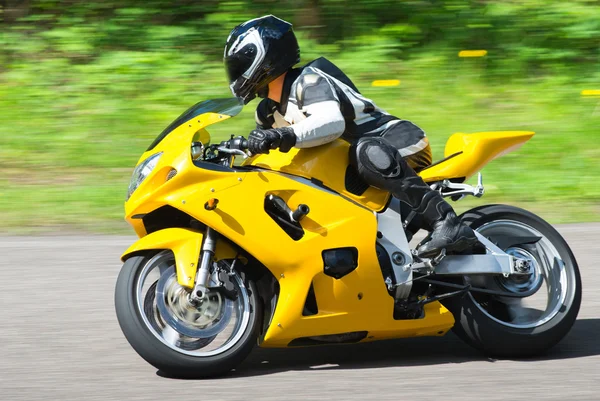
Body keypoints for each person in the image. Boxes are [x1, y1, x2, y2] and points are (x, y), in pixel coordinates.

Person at [223, 15, 477, 258]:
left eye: (239, 65)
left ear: (265, 58)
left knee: (365, 153)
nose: (236, 73)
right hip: (353, 163)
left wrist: (281, 135)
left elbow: (331, 123)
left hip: (396, 140)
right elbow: (261, 157)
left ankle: (447, 221)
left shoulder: (307, 82)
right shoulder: (266, 112)